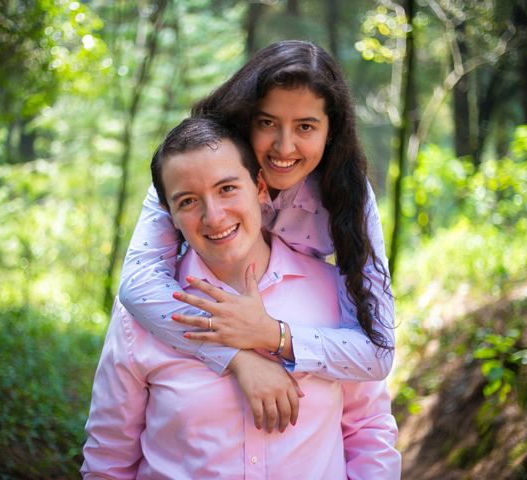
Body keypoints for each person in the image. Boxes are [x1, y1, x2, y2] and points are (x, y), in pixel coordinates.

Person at [81, 117, 400, 479]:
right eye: (188, 201)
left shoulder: (333, 294)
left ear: (260, 187)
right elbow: (108, 460)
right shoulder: (140, 313)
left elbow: (369, 429)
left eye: (227, 188)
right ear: (169, 216)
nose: (214, 216)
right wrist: (238, 359)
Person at [118, 40, 395, 432]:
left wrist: (272, 335)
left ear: (331, 130)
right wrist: (237, 354)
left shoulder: (347, 192)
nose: (284, 147)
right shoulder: (201, 167)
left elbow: (377, 353)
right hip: (202, 300)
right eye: (267, 123)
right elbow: (137, 285)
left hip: (303, 305)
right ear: (247, 117)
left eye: (305, 127)